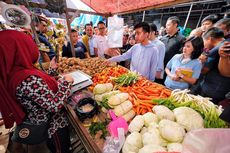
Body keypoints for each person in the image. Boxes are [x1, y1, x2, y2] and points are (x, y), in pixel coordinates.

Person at [0, 30, 74, 153]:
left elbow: (40, 90)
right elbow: (53, 105)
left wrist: (51, 71)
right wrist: (67, 82)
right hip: (53, 127)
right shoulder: (27, 79)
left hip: (43, 123)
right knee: (61, 149)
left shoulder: (17, 72)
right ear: (19, 48)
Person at [200, 27, 230, 104]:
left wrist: (200, 62)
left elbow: (204, 70)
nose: (203, 45)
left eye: (204, 41)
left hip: (212, 90)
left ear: (210, 39)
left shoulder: (218, 49)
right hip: (222, 90)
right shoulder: (224, 44)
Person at [160, 16, 186, 83]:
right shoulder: (163, 38)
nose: (166, 27)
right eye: (166, 25)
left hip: (170, 70)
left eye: (168, 25)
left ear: (175, 25)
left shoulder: (182, 39)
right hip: (160, 67)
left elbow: (182, 56)